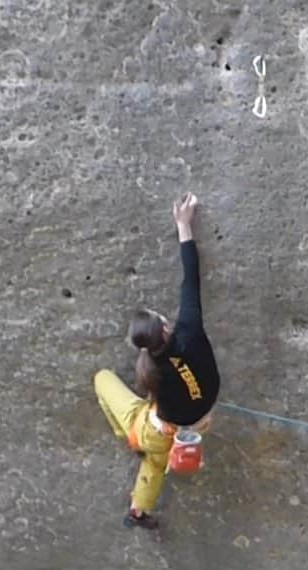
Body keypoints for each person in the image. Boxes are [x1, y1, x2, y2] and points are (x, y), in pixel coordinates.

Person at [92, 192, 220, 529]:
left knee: (102, 379)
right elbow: (190, 279)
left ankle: (130, 440)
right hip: (199, 421)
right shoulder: (189, 328)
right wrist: (184, 226)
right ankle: (138, 509)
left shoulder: (151, 372)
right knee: (155, 455)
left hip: (165, 429)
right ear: (164, 325)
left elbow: (161, 399)